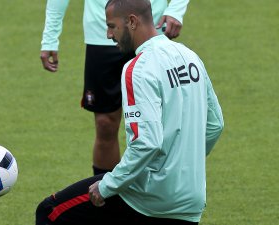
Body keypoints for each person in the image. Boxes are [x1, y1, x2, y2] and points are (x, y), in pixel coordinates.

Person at [36, 0, 224, 224]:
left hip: (148, 198)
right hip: (190, 200)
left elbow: (147, 143)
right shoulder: (191, 57)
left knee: (49, 211)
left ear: (132, 22)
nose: (108, 34)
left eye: (112, 26)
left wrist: (108, 186)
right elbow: (215, 125)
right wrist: (179, 168)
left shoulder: (138, 68)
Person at [40, 0, 190, 175]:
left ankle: (160, 194)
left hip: (150, 29)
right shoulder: (107, 32)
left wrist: (176, 9)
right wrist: (50, 37)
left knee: (162, 123)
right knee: (105, 124)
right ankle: (107, 197)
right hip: (100, 35)